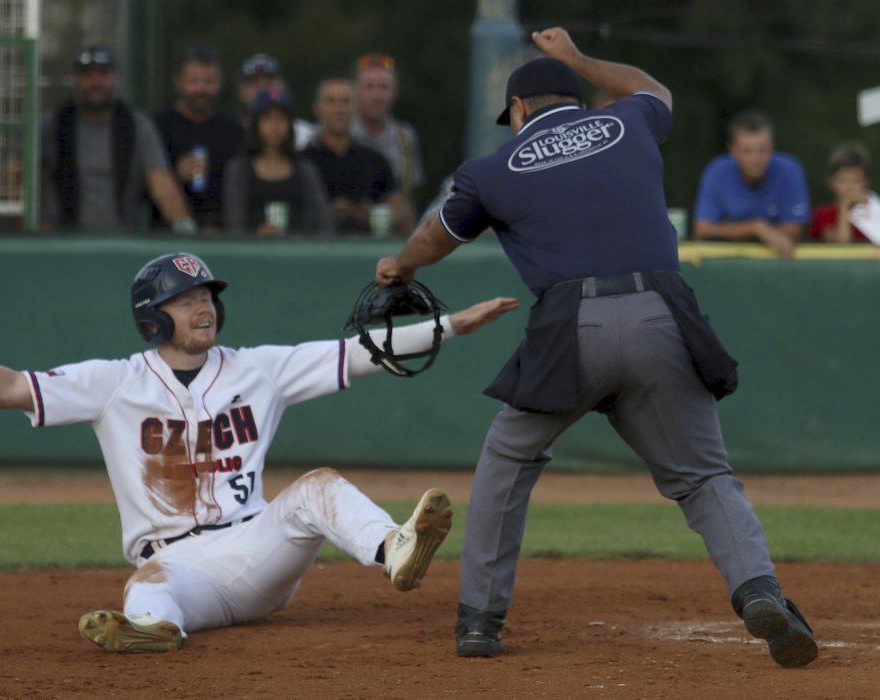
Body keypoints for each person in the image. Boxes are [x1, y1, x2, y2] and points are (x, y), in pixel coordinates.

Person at [374, 27, 819, 669]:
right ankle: (758, 590)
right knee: (702, 476)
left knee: (508, 458)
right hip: (662, 313)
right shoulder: (630, 120)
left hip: (570, 326)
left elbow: (434, 239)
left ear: (519, 112)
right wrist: (578, 58)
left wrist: (401, 266)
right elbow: (653, 88)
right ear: (575, 96)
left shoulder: (491, 169)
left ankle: (479, 622)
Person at [0, 250, 518, 653]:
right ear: (154, 316)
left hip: (256, 549)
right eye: (186, 300)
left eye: (207, 296)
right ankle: (153, 634)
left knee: (317, 486)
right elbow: (9, 386)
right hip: (179, 567)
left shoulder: (259, 368)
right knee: (146, 588)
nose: (204, 306)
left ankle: (394, 548)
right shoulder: (114, 383)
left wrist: (453, 325)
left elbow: (358, 352)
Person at [39, 45, 195, 234]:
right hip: (62, 239)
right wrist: (34, 223)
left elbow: (160, 182)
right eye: (88, 75)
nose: (95, 82)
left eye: (103, 74)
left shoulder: (137, 126)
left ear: (115, 78)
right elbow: (19, 173)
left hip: (120, 239)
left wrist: (184, 227)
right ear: (77, 80)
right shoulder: (53, 125)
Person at [302, 75, 412, 236]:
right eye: (331, 101)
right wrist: (326, 212)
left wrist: (373, 215)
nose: (338, 109)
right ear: (317, 108)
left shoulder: (375, 160)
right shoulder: (303, 161)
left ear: (356, 108)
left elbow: (401, 211)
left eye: (345, 102)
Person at [692, 109, 810, 258]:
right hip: (728, 263)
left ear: (772, 146)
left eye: (762, 149)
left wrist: (729, 229)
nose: (756, 158)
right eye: (747, 151)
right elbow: (702, 230)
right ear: (733, 150)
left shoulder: (790, 169)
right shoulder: (716, 171)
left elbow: (793, 231)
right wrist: (756, 228)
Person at [153, 45, 243, 232]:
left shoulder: (233, 130)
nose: (201, 89)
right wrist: (175, 174)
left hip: (226, 238)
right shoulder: (157, 127)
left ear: (219, 83)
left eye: (209, 81)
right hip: (167, 238)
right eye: (193, 81)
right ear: (178, 82)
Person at [222, 85, 333, 236]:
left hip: (300, 252)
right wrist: (256, 234)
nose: (274, 125)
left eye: (281, 118)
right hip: (250, 253)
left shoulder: (305, 168)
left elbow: (323, 222)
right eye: (267, 118)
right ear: (255, 123)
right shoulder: (238, 169)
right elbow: (232, 221)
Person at [350, 53, 425, 209]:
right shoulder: (343, 134)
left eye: (384, 87)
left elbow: (409, 192)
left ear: (394, 92)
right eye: (369, 87)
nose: (377, 96)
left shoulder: (405, 136)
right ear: (355, 91)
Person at [236, 52, 315, 150]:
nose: (262, 88)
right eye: (254, 83)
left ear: (283, 86)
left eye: (269, 82)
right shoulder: (232, 133)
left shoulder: (306, 134)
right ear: (241, 92)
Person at [809, 142, 880, 244]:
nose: (849, 186)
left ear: (866, 182)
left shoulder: (874, 211)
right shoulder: (823, 214)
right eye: (842, 180)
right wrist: (844, 205)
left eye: (856, 180)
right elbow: (842, 244)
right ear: (831, 182)